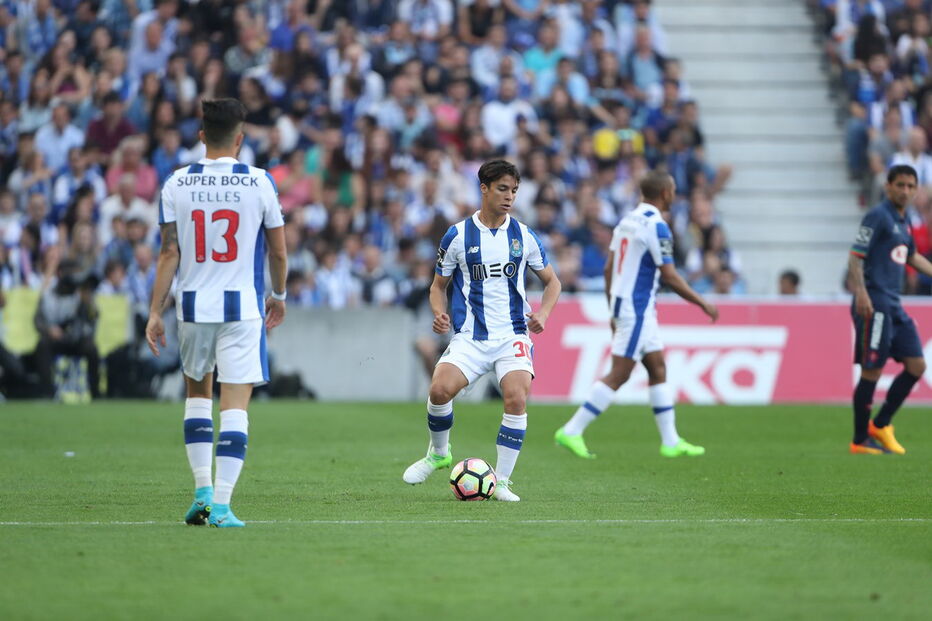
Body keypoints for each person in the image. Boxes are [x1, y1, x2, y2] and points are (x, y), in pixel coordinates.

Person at [145, 99, 287, 527]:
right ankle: (222, 506)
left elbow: (168, 252)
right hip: (242, 308)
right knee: (235, 406)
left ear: (202, 135)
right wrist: (279, 294)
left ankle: (202, 494)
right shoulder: (259, 181)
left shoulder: (177, 182)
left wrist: (155, 312)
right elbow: (278, 252)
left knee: (197, 396)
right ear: (240, 139)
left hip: (192, 307)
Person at [401, 159, 562, 502]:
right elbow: (437, 286)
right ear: (484, 188)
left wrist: (544, 314)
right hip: (471, 337)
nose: (509, 196)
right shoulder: (458, 235)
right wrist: (439, 313)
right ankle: (438, 454)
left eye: (514, 190)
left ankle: (501, 481)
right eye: (503, 189)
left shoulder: (523, 235)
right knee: (439, 390)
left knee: (516, 397)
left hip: (513, 334)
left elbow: (553, 282)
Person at [555, 172, 719, 459]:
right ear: (665, 193)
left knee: (657, 368)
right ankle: (572, 430)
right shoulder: (657, 226)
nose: (673, 194)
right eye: (672, 190)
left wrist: (612, 309)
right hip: (637, 308)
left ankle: (671, 441)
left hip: (629, 306)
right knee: (620, 373)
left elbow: (608, 268)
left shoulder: (626, 221)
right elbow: (669, 275)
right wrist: (701, 302)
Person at [847, 164, 932, 455]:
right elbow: (855, 255)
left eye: (911, 186)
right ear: (888, 186)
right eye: (900, 185)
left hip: (894, 304)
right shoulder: (878, 216)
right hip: (875, 302)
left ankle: (881, 424)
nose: (905, 191)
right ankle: (860, 440)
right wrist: (861, 292)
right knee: (872, 369)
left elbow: (912, 256)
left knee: (917, 366)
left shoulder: (903, 220)